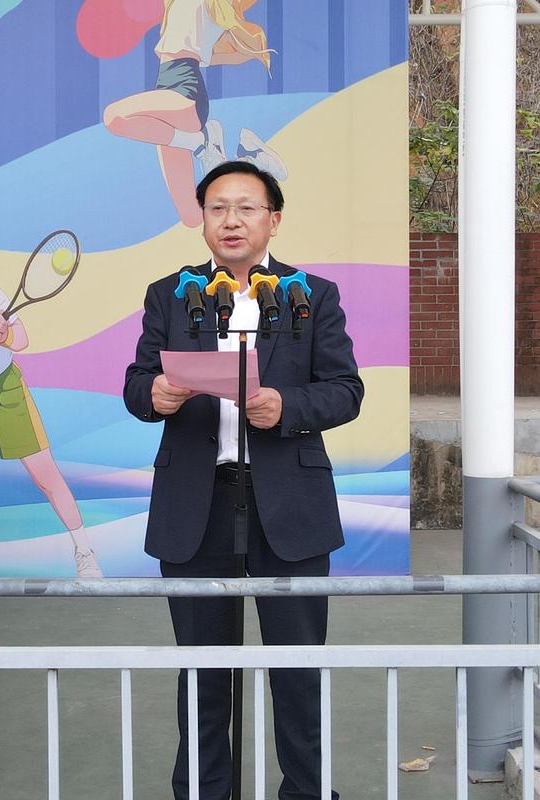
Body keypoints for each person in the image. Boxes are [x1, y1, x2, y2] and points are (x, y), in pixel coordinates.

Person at [124, 161, 364, 800]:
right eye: (217, 208)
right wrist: (154, 394)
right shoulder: (170, 294)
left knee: (297, 671)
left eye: (246, 208)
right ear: (202, 220)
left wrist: (287, 407)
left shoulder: (313, 295)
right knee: (202, 674)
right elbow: (136, 385)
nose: (231, 221)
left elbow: (346, 390)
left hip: (290, 506)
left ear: (273, 220)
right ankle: (203, 792)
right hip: (195, 506)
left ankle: (307, 792)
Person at [0, 222, 102, 578]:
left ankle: (84, 551)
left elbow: (21, 339)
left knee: (45, 476)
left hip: (6, 387)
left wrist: (3, 336)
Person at [103, 0, 287, 228]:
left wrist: (252, 48)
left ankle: (201, 141)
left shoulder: (210, 7)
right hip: (165, 91)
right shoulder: (179, 11)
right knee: (192, 217)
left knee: (114, 117)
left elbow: (236, 51)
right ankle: (249, 157)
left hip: (186, 90)